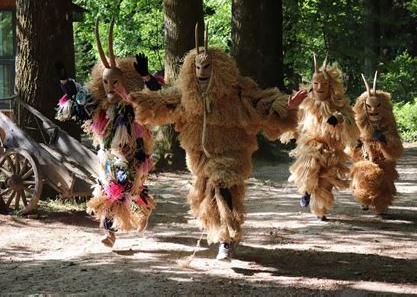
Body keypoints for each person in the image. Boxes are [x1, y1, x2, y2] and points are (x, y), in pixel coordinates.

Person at [123, 23, 304, 260]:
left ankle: (227, 237)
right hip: (199, 155)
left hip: (232, 150)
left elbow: (262, 104)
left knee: (223, 184)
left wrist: (287, 104)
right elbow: (164, 102)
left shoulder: (237, 92)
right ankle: (222, 235)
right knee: (205, 195)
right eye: (197, 67)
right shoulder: (186, 95)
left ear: (218, 69)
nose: (201, 71)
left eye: (206, 67)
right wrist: (135, 99)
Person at [54, 18, 160, 247]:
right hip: (108, 155)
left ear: (124, 81)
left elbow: (157, 98)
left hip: (135, 153)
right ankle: (109, 232)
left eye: (115, 81)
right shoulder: (98, 103)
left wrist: (146, 77)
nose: (110, 86)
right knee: (110, 189)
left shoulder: (136, 101)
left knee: (133, 188)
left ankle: (144, 209)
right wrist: (64, 81)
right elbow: (77, 99)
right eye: (105, 82)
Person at [282, 54, 359, 221]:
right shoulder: (306, 101)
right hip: (310, 143)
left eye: (324, 84)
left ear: (330, 85)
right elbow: (294, 116)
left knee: (326, 182)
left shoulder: (339, 103)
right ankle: (306, 191)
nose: (319, 87)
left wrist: (338, 119)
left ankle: (320, 211)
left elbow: (350, 120)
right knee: (308, 167)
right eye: (316, 83)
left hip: (332, 149)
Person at [350, 72, 403, 215]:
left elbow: (395, 146)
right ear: (364, 107)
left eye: (377, 106)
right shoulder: (359, 122)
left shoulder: (388, 123)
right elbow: (351, 140)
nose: (373, 110)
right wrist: (358, 144)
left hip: (383, 159)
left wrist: (384, 141)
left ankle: (381, 204)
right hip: (365, 158)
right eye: (369, 107)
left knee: (384, 181)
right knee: (363, 177)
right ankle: (365, 199)